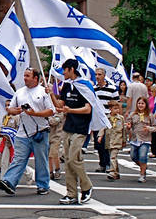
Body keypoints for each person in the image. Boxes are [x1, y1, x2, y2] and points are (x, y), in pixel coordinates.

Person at [0, 69, 55, 196]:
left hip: (40, 130)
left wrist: (34, 113)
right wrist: (15, 111)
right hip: (23, 132)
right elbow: (10, 109)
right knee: (18, 158)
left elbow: (51, 111)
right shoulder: (19, 92)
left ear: (36, 78)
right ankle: (10, 181)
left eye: (28, 76)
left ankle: (43, 185)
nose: (25, 78)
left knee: (41, 160)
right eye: (24, 75)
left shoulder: (43, 92)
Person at [47, 59, 94, 205]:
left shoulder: (85, 86)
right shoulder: (67, 85)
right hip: (68, 127)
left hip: (81, 128)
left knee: (74, 158)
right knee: (67, 161)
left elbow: (88, 109)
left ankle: (87, 186)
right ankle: (71, 193)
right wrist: (51, 94)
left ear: (72, 69)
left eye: (65, 70)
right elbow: (60, 106)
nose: (63, 73)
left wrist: (70, 110)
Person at [93, 68, 118, 173]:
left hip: (107, 118)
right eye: (96, 74)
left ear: (104, 76)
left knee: (106, 142)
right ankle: (102, 163)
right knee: (98, 142)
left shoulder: (112, 89)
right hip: (96, 118)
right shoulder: (93, 89)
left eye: (99, 74)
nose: (97, 76)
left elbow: (116, 104)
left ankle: (108, 163)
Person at [126, 97, 156, 182]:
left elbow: (155, 128)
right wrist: (128, 127)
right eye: (139, 103)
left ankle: (142, 174)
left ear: (146, 105)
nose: (140, 105)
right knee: (133, 156)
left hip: (145, 139)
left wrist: (149, 128)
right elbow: (128, 126)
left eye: (142, 103)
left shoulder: (150, 115)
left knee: (143, 156)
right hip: (135, 139)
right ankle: (143, 166)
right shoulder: (133, 115)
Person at [98, 101, 125, 180]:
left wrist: (124, 140)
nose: (117, 110)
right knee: (113, 157)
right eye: (115, 109)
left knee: (113, 157)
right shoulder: (107, 118)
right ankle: (116, 172)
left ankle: (113, 172)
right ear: (110, 109)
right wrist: (100, 136)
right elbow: (103, 127)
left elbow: (123, 130)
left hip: (117, 140)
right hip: (109, 140)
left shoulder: (121, 118)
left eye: (118, 109)